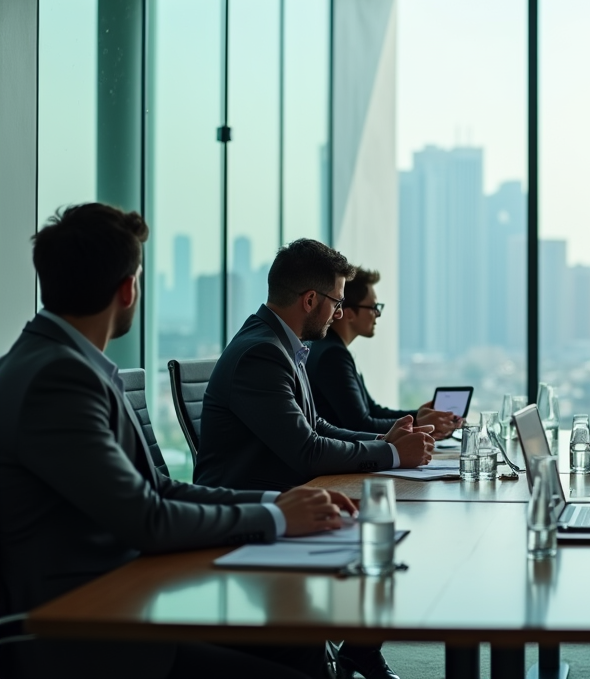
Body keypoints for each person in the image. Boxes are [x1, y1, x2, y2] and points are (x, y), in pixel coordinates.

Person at [0, 204, 356, 679]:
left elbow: (158, 491)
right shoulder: (59, 378)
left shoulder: (59, 362)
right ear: (129, 289)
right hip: (88, 629)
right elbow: (146, 517)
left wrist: (280, 503)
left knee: (300, 646)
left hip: (125, 599)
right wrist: (274, 516)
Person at [194, 240, 436, 494]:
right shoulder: (262, 354)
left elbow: (315, 425)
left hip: (283, 497)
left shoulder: (282, 344)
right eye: (337, 303)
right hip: (248, 513)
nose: (339, 314)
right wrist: (392, 452)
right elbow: (308, 451)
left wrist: (383, 441)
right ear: (310, 300)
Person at [306, 267, 460, 436]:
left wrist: (419, 416)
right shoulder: (333, 355)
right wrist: (417, 422)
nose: (378, 314)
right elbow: (361, 425)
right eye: (373, 307)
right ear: (349, 314)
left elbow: (373, 411)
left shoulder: (329, 348)